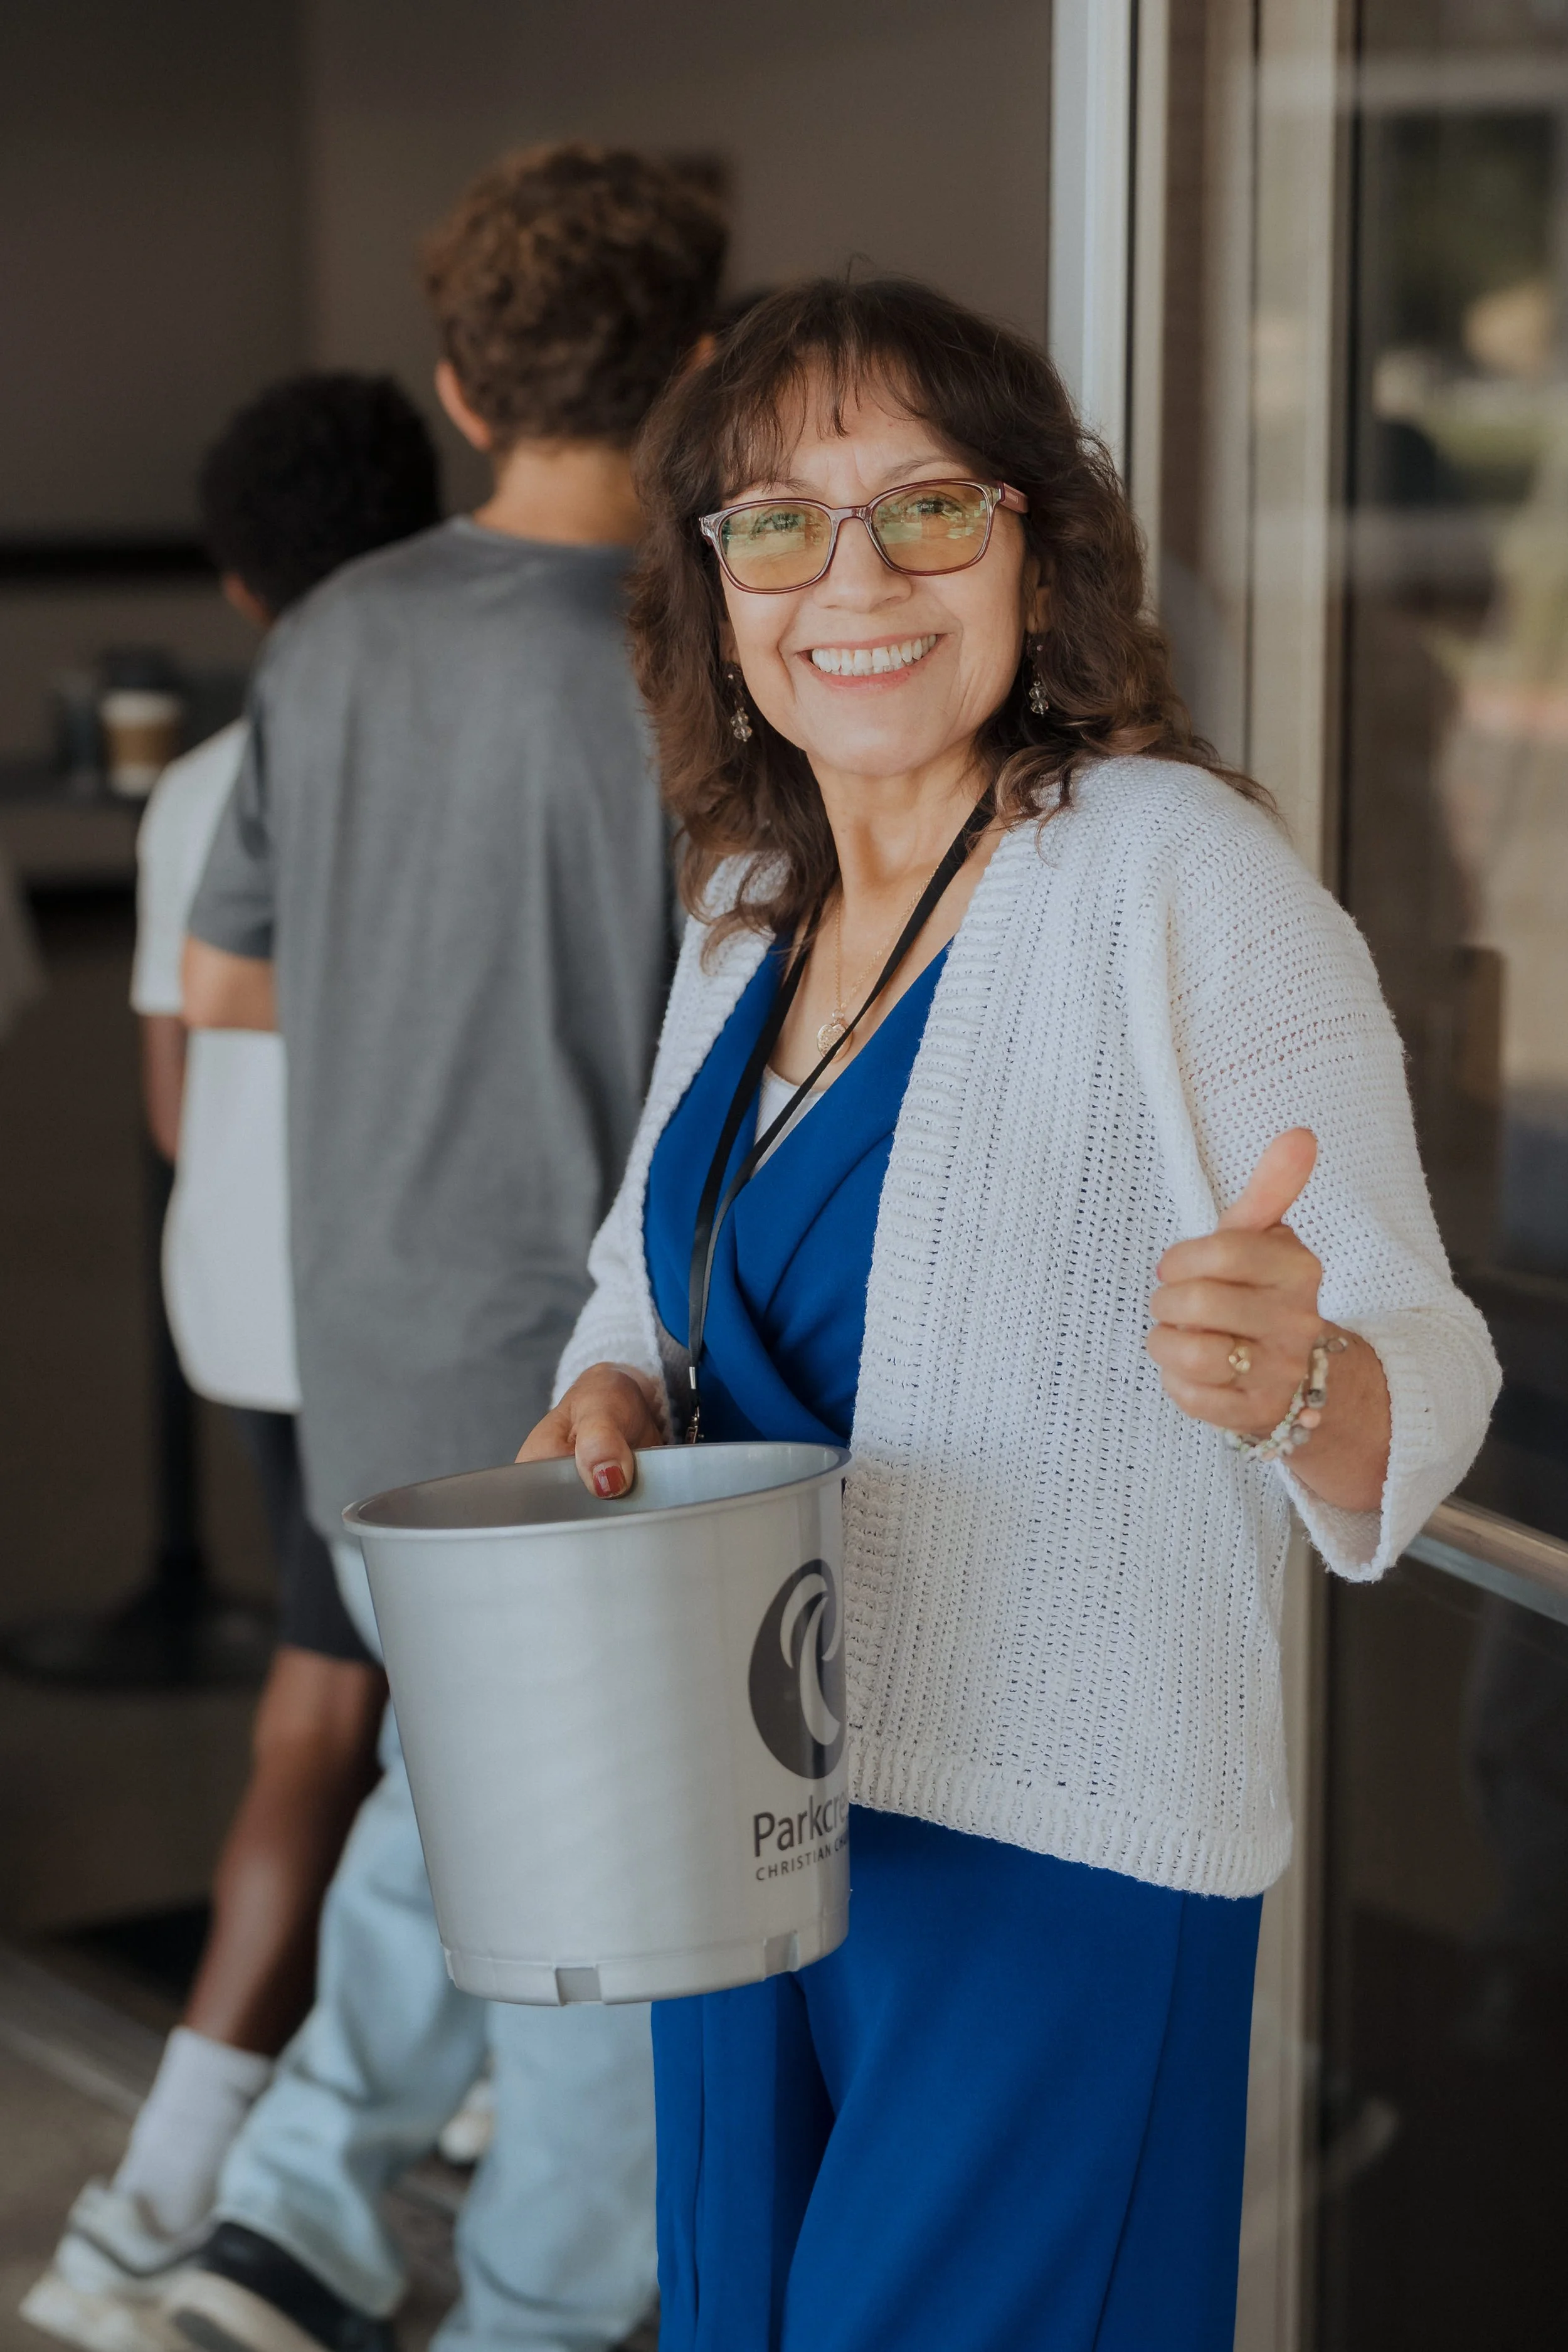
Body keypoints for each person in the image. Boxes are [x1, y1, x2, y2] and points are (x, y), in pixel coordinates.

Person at [519, 277, 1502, 2352]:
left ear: (1032, 543)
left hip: (1046, 1840)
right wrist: (604, 1380)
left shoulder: (1174, 875)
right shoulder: (746, 900)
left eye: (927, 509)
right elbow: (642, 1266)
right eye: (776, 523)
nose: (849, 577)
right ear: (712, 595)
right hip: (748, 1804)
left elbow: (1427, 1363)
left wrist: (1298, 1371)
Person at [159, 146, 726, 2352]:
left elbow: (233, 976)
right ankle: (529, 2309)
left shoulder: (335, 637)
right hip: (586, 1371)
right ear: (692, 372)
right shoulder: (702, 654)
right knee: (599, 1881)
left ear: (458, 388)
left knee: (463, 1787)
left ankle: (284, 2224)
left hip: (370, 1347)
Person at [23, 372, 442, 2352]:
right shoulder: (472, 728)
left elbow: (183, 1110)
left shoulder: (204, 784)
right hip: (399, 1329)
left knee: (362, 1714)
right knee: (352, 1723)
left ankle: (260, 2159)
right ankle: (169, 2196)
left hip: (251, 1319)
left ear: (238, 580)